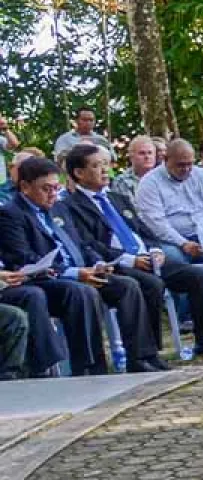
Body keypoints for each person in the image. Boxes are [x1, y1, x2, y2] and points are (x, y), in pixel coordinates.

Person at [58, 143, 203, 359]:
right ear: (79, 173)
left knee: (199, 276)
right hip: (116, 264)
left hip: (147, 258)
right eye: (96, 166)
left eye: (105, 165)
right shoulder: (71, 207)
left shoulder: (116, 199)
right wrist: (130, 260)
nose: (104, 170)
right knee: (151, 284)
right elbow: (89, 245)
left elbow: (142, 229)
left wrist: (155, 249)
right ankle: (148, 353)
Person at [0, 155, 159, 372]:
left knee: (127, 285)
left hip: (81, 271)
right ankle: (89, 366)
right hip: (46, 279)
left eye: (56, 188)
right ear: (25, 186)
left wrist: (99, 263)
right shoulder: (11, 214)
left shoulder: (59, 207)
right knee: (80, 292)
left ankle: (141, 358)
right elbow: (23, 259)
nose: (53, 194)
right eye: (46, 189)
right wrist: (75, 273)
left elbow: (81, 244)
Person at [133, 139, 203, 266]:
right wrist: (183, 243)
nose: (186, 169)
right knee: (176, 262)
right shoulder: (150, 183)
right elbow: (157, 224)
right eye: (180, 165)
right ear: (165, 160)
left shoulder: (201, 175)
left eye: (190, 164)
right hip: (170, 241)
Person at [111, 135, 160, 200]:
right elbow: (128, 208)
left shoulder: (164, 178)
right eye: (142, 153)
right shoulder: (122, 182)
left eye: (150, 153)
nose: (147, 157)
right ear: (131, 156)